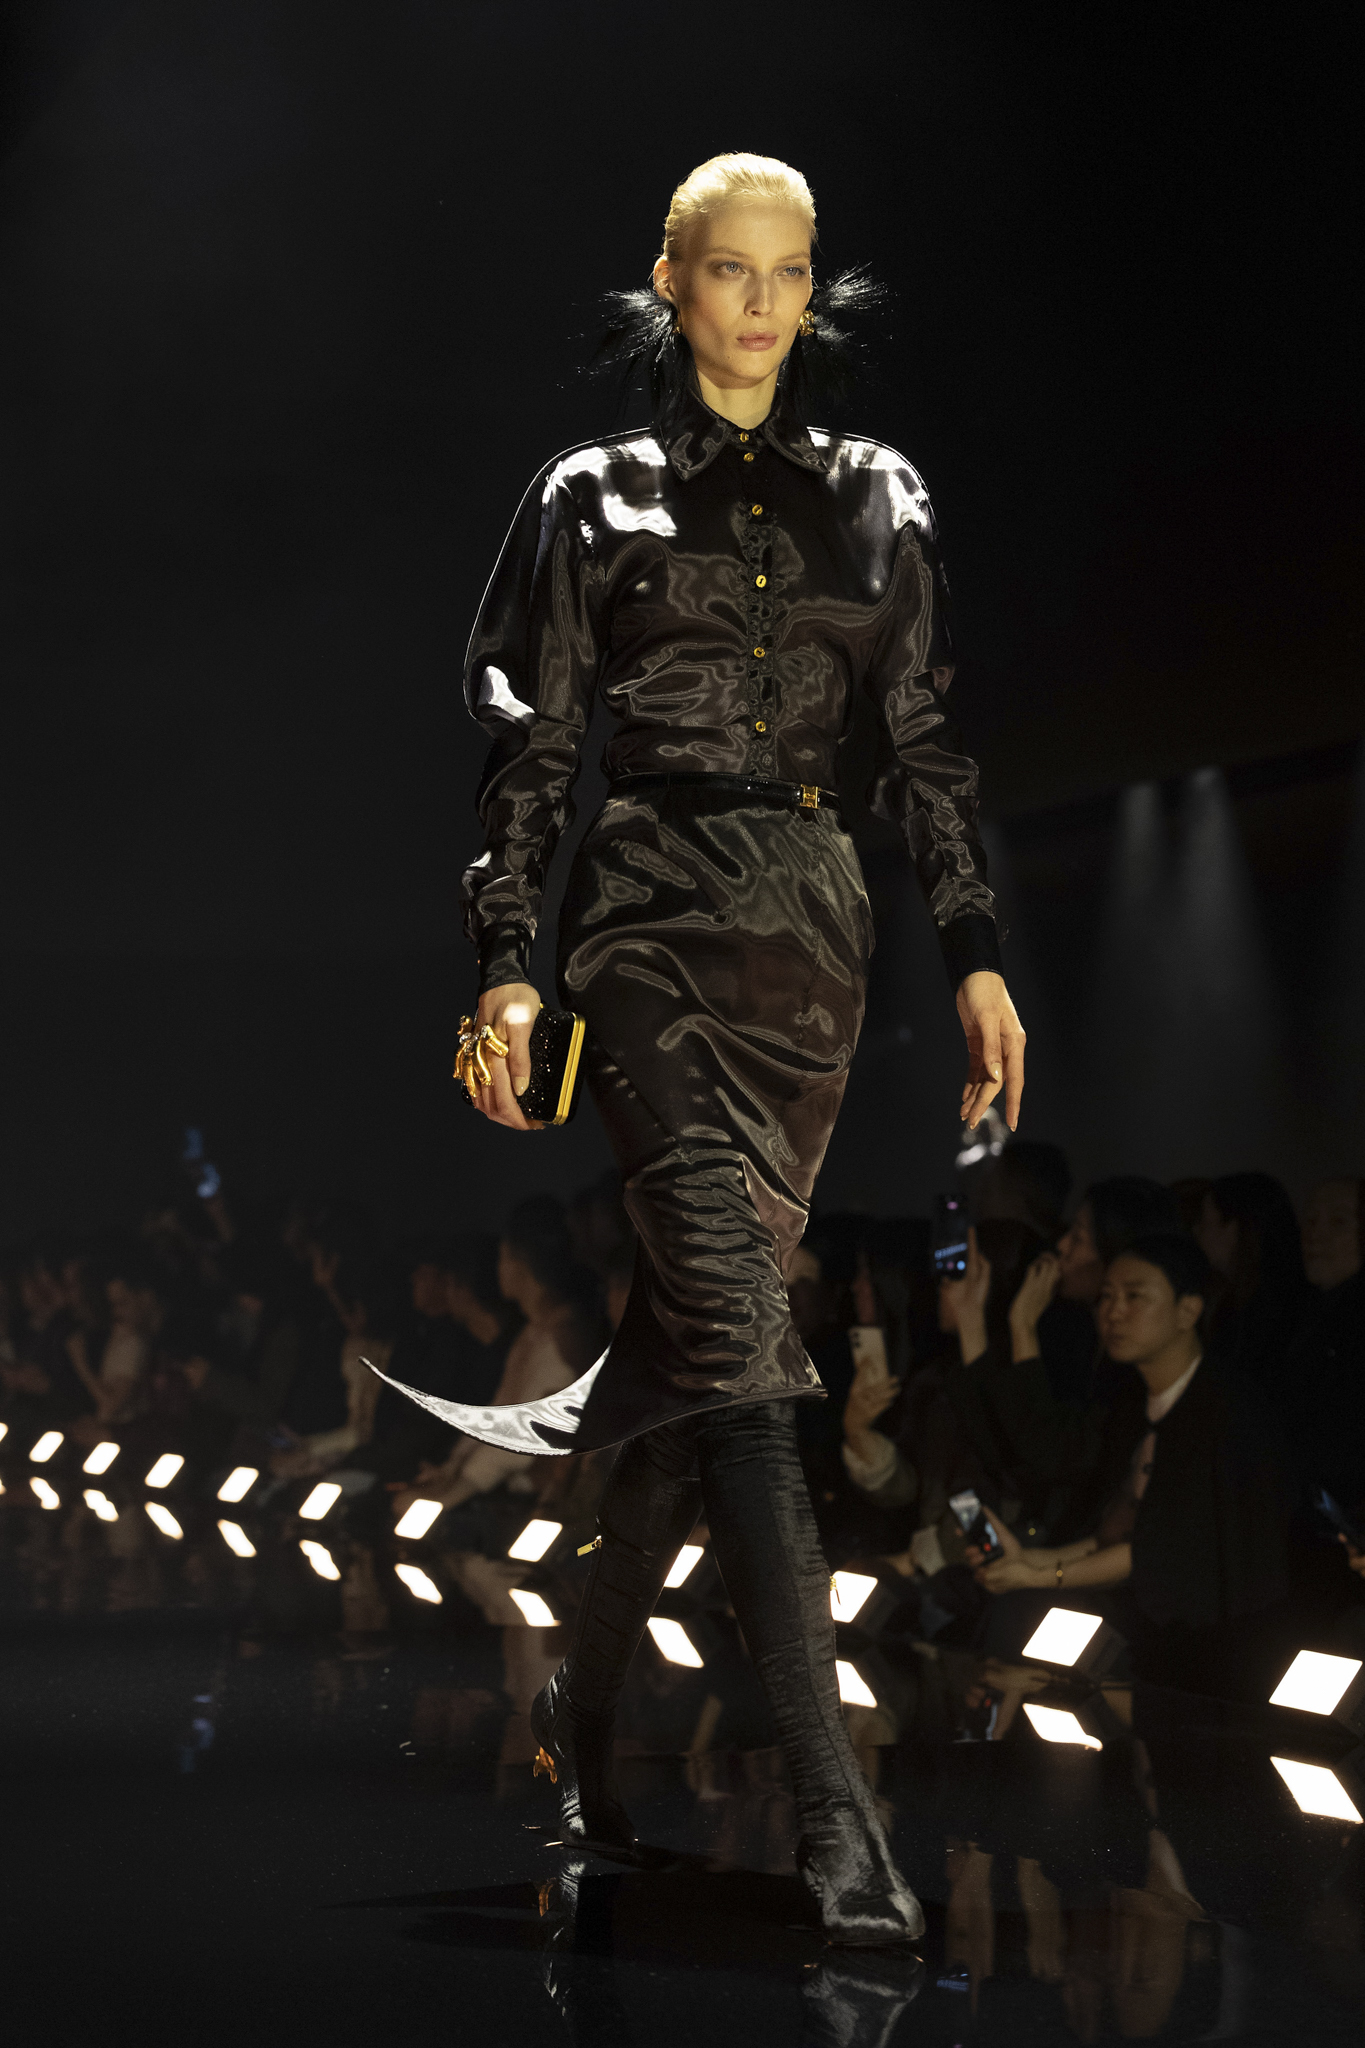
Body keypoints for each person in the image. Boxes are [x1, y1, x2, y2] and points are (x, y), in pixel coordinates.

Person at [380, 153, 1025, 1945]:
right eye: (728, 269)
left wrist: (976, 954)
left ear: (816, 289)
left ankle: (583, 1738)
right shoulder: (585, 495)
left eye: (790, 273)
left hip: (816, 935)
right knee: (741, 1351)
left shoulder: (881, 493)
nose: (760, 303)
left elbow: (926, 744)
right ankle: (837, 1818)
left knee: (689, 1361)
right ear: (668, 280)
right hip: (646, 920)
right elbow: (533, 743)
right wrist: (509, 968)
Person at [971, 1235, 1294, 1691]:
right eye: (1106, 1296)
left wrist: (1042, 1573)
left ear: (1188, 1310)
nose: (1114, 1312)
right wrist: (1030, 1562)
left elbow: (1156, 1548)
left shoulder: (1224, 1411)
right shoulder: (1133, 1406)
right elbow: (1120, 1531)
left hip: (1216, 1646)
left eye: (1135, 1296)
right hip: (1153, 1624)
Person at [1194, 1171, 1309, 1394]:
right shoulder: (1237, 1299)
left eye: (1204, 1222)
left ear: (1233, 1227)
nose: (1196, 1231)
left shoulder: (1275, 1310)